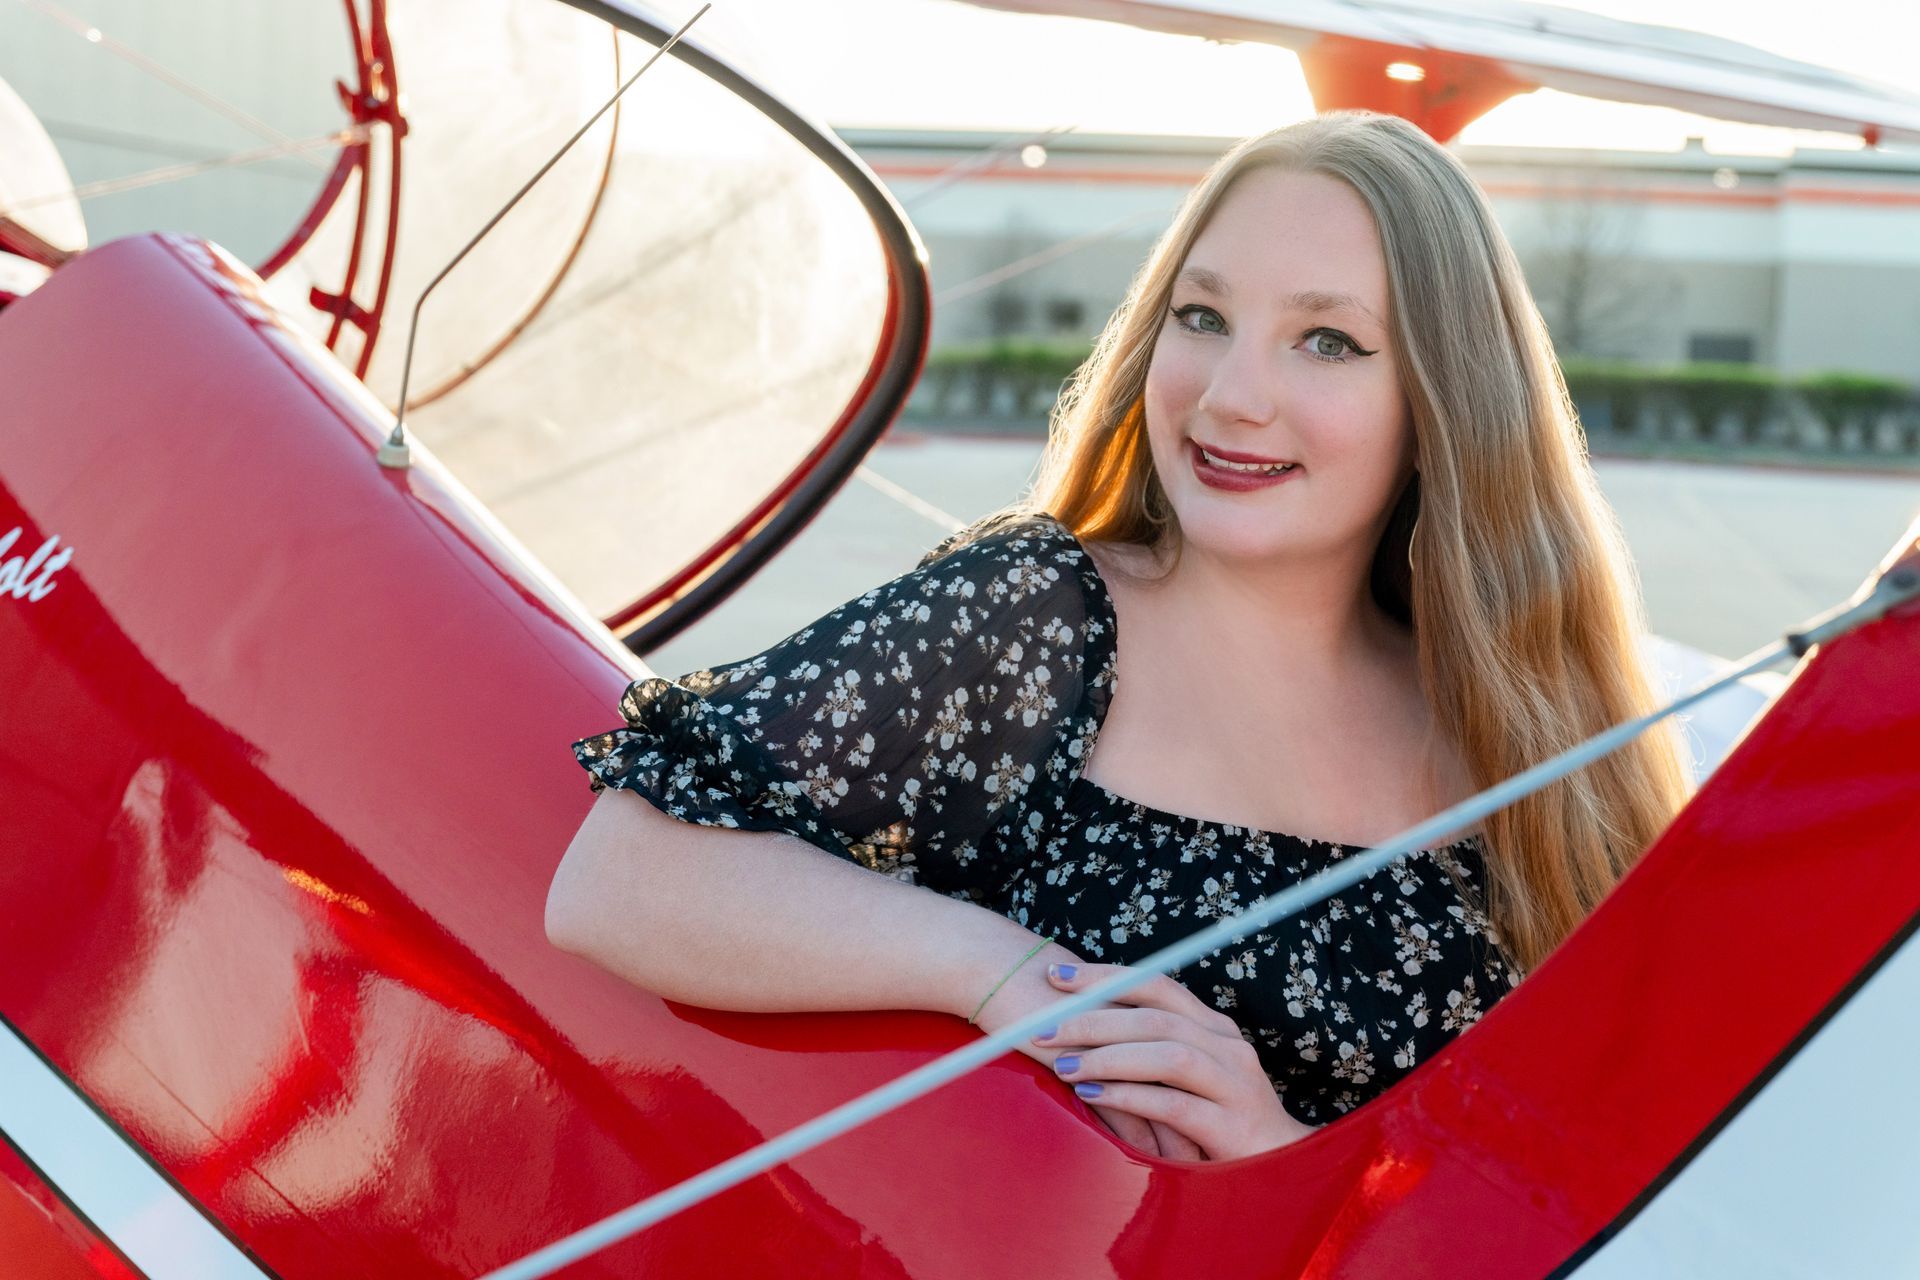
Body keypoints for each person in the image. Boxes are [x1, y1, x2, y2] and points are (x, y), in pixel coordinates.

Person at [548, 109, 1695, 1164]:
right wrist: (1005, 974)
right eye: (1203, 317)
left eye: (1328, 341)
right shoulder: (1035, 618)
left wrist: (1283, 1153)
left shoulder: (1517, 723)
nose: (1232, 393)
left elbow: (1605, 1159)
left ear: (1444, 399)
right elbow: (623, 875)